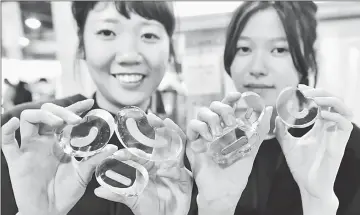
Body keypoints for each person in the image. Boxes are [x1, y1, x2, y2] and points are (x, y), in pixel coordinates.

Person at [1, 2, 192, 215]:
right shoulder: (23, 136)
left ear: (171, 49)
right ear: (82, 45)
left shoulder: (183, 160)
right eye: (107, 32)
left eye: (148, 35)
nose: (129, 56)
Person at [185, 1, 360, 215]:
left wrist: (318, 201)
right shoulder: (211, 148)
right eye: (244, 48)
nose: (257, 68)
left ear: (307, 59)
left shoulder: (340, 145)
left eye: (279, 49)